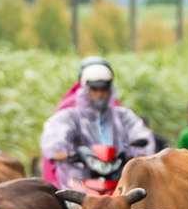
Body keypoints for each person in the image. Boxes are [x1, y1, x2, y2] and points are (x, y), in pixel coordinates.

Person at [39, 61, 152, 189]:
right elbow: (55, 135)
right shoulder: (71, 116)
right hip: (80, 177)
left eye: (104, 89)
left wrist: (139, 153)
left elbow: (141, 134)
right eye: (94, 89)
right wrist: (61, 152)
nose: (100, 94)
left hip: (118, 175)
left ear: (110, 90)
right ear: (84, 90)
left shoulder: (122, 116)